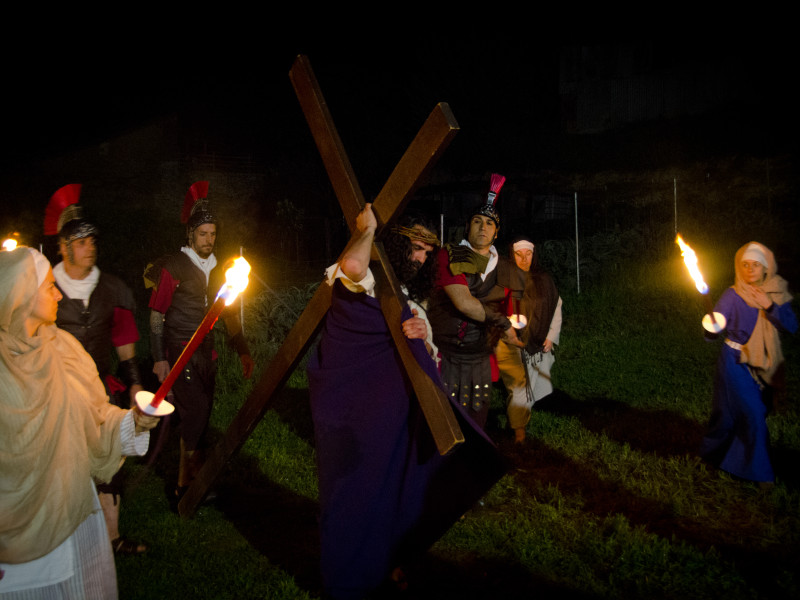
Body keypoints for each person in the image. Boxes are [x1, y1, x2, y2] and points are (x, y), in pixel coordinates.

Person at [306, 204, 506, 599]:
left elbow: (427, 354)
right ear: (395, 246)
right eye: (414, 249)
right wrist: (367, 230)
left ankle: (385, 561)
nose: (421, 258)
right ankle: (348, 577)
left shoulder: (409, 297)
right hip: (354, 413)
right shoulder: (366, 282)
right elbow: (350, 266)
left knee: (395, 489)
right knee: (354, 493)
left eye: (427, 253)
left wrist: (420, 335)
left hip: (395, 414)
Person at [0, 247, 158, 599]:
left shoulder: (64, 350)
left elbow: (96, 417)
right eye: (48, 287)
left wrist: (134, 421)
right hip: (12, 543)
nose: (58, 294)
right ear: (21, 297)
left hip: (71, 513)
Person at [43, 183, 148, 555]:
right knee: (59, 468)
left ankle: (112, 539)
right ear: (64, 246)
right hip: (54, 393)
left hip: (100, 392)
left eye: (93, 241)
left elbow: (124, 344)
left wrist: (135, 387)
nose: (91, 247)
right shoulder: (44, 288)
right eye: (82, 241)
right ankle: (59, 542)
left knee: (109, 464)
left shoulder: (111, 289)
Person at [145, 182, 254, 501]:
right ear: (190, 235)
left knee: (202, 417)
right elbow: (156, 314)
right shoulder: (173, 266)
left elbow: (229, 310)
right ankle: (184, 486)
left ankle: (197, 482)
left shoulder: (223, 270)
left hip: (208, 353)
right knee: (197, 412)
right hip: (179, 350)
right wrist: (159, 358)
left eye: (213, 233)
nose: (209, 239)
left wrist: (243, 349)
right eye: (203, 233)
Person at [427, 175, 523, 430]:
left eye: (490, 223)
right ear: (468, 226)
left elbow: (513, 312)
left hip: (480, 357)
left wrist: (522, 331)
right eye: (477, 221)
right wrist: (503, 323)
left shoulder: (505, 269)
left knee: (476, 422)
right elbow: (464, 303)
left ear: (496, 231)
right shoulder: (450, 254)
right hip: (446, 355)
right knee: (443, 422)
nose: (483, 227)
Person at [699, 241, 796, 485]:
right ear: (738, 267)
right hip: (734, 362)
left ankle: (715, 453)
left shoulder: (774, 292)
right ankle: (759, 474)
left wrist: (769, 306)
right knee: (752, 414)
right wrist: (713, 327)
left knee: (727, 415)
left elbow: (792, 326)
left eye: (756, 265)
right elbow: (714, 327)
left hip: (764, 365)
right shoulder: (733, 294)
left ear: (766, 268)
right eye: (745, 264)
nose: (750, 269)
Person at [495, 235, 563, 443]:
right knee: (519, 387)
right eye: (519, 254)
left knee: (530, 386)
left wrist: (551, 336)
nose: (524, 259)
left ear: (534, 256)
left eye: (528, 254)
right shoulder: (503, 278)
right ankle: (519, 434)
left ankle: (520, 420)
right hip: (509, 341)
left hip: (536, 343)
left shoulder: (544, 279)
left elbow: (556, 306)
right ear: (511, 255)